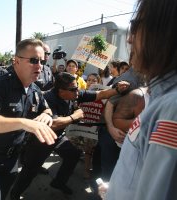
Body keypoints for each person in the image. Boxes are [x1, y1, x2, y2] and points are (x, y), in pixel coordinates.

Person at [10, 72, 130, 199]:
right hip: (41, 139)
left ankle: (59, 182)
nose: (77, 91)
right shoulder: (49, 99)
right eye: (73, 89)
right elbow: (53, 124)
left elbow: (100, 94)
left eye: (77, 87)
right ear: (61, 91)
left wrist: (117, 89)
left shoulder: (74, 94)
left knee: (73, 154)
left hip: (58, 136)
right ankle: (14, 194)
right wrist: (74, 117)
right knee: (30, 170)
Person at [104, 0, 177, 199]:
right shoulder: (160, 97)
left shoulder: (172, 108)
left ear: (166, 31)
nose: (129, 40)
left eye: (136, 26)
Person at [0, 39, 57, 200]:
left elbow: (47, 108)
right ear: (16, 61)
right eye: (33, 60)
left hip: (11, 160)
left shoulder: (34, 89)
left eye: (42, 61)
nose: (39, 65)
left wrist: (46, 114)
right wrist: (25, 123)